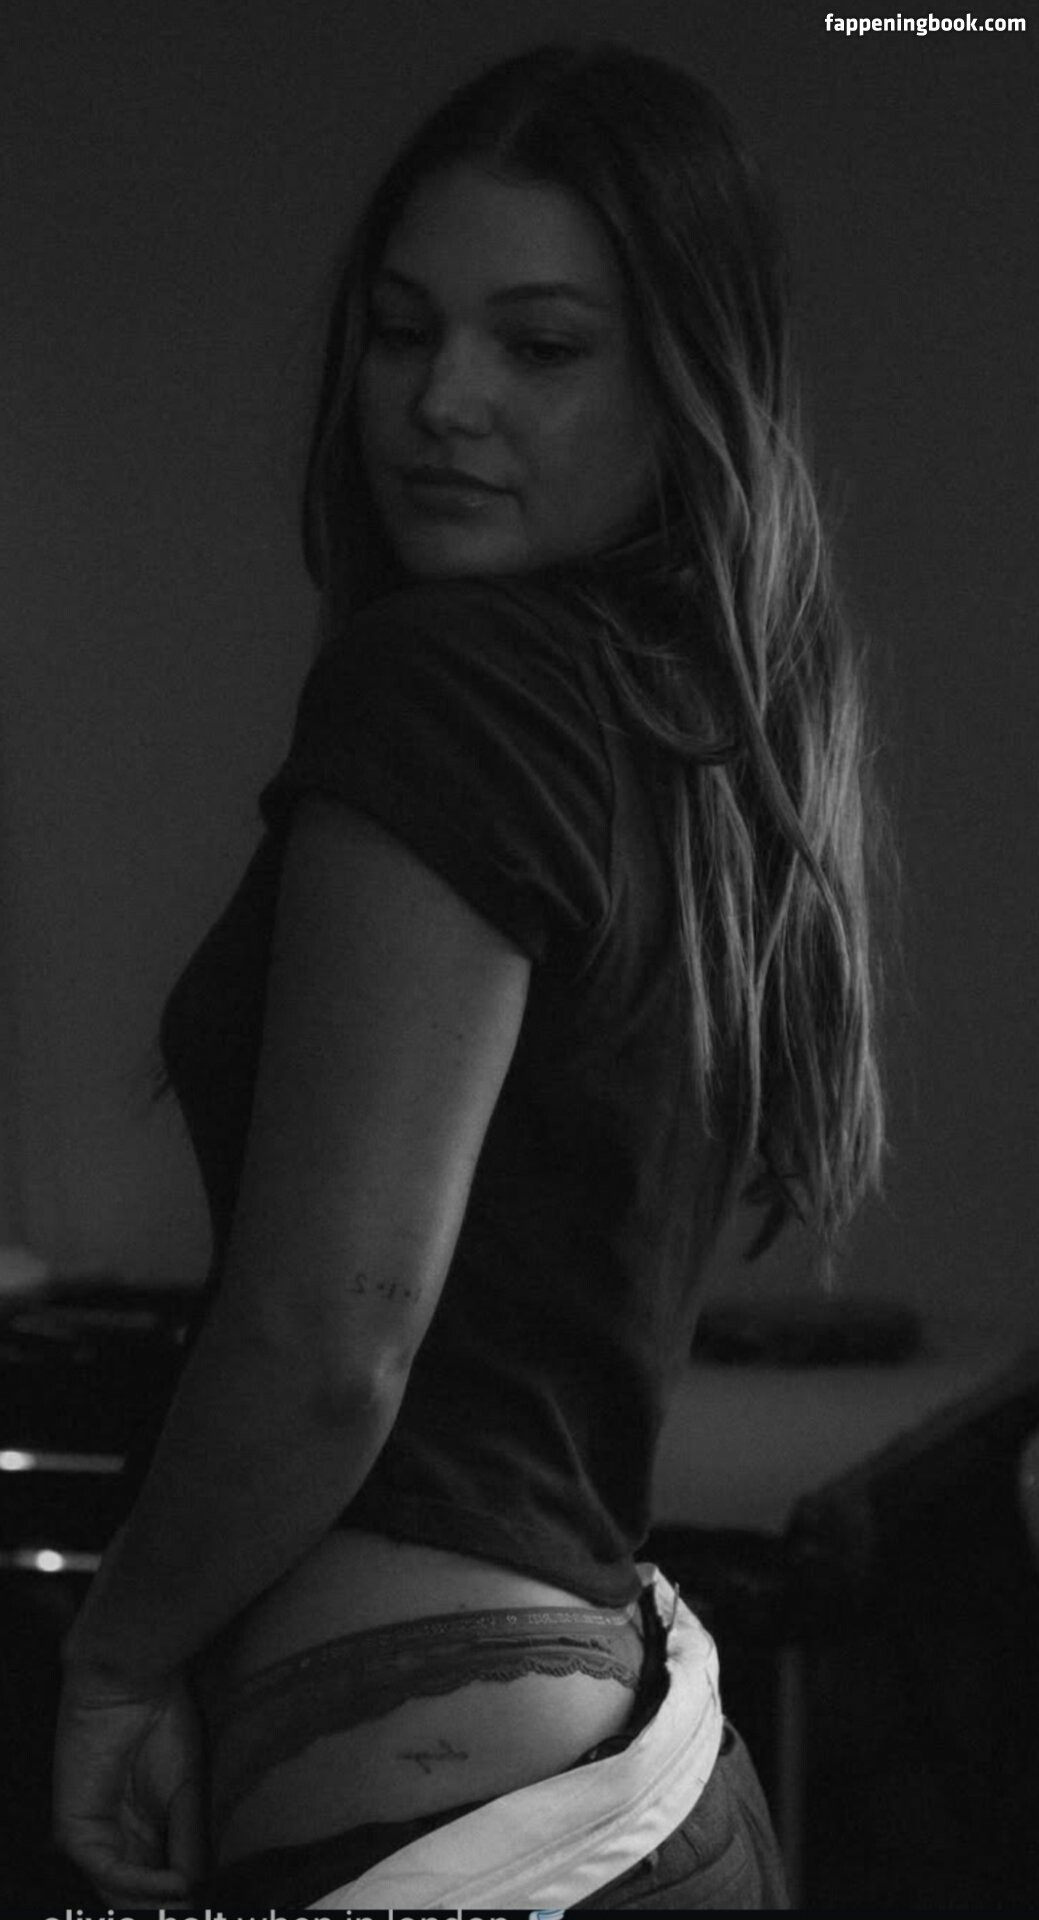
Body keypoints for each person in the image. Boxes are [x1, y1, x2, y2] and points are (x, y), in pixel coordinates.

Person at [52, 39, 886, 1911]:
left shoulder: (453, 687)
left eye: (542, 346)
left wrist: (115, 1653)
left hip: (460, 1813)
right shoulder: (692, 733)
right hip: (640, 1769)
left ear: (688, 387)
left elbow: (330, 1340)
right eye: (402, 331)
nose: (444, 400)